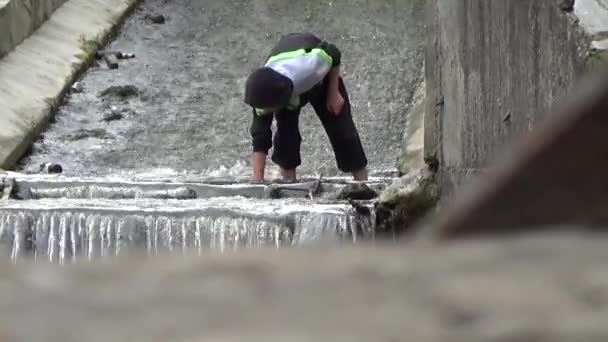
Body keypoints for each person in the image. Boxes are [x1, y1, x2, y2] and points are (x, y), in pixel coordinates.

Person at [243, 32, 369, 183]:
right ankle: (289, 182)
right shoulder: (262, 90)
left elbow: (333, 52)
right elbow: (260, 136)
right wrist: (257, 181)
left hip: (319, 77)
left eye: (269, 108)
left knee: (343, 131)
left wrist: (333, 92)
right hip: (280, 87)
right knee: (286, 137)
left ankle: (362, 182)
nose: (265, 112)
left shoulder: (309, 66)